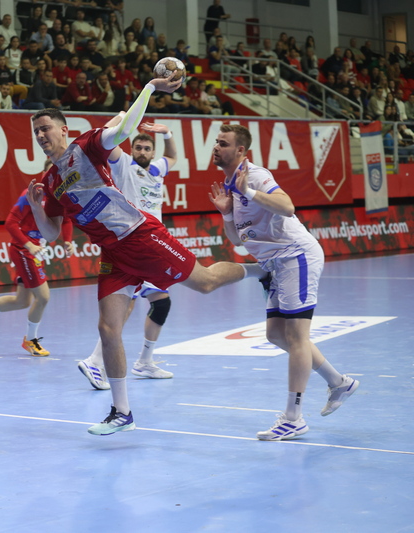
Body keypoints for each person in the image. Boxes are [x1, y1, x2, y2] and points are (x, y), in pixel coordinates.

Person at [25, 78, 268, 436]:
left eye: (45, 128)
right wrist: (36, 208)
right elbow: (50, 233)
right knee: (108, 328)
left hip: (140, 236)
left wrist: (151, 87)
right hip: (112, 252)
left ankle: (260, 271)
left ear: (63, 129)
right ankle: (121, 412)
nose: (41, 135)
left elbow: (124, 128)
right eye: (36, 132)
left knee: (205, 283)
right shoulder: (49, 182)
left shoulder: (86, 145)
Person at [208, 124, 358, 440]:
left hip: (296, 256)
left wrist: (249, 192)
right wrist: (226, 213)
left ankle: (293, 417)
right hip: (277, 263)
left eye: (223, 143)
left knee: (297, 336)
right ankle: (339, 382)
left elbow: (288, 207)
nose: (217, 147)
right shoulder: (231, 184)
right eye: (216, 142)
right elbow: (237, 240)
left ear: (240, 151)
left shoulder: (255, 176)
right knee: (276, 334)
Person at [77, 118, 179, 390]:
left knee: (156, 303)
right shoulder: (123, 164)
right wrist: (122, 120)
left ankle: (142, 361)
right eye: (138, 147)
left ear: (152, 152)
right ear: (132, 149)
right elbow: (106, 144)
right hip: (135, 242)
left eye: (147, 148)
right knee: (130, 304)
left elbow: (172, 156)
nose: (142, 152)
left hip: (153, 243)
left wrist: (167, 133)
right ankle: (96, 360)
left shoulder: (156, 169)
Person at [0, 177, 73, 356]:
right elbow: (10, 223)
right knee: (43, 297)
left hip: (36, 251)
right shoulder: (31, 195)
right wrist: (28, 245)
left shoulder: (61, 197)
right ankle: (30, 340)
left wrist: (67, 241)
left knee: (22, 301)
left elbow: (65, 220)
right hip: (24, 250)